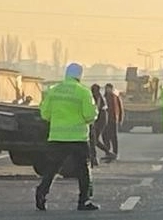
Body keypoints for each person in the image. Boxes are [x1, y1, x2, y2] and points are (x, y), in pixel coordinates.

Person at [36, 62, 99, 212]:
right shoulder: (83, 92)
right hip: (78, 138)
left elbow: (45, 113)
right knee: (83, 171)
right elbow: (90, 115)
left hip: (57, 137)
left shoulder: (54, 91)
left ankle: (41, 193)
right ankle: (84, 201)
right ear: (80, 76)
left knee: (52, 168)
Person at [102, 82, 123, 160]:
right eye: (107, 88)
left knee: (113, 137)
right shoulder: (104, 97)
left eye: (109, 88)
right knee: (105, 137)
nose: (108, 90)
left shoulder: (115, 97)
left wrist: (120, 119)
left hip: (113, 120)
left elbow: (120, 108)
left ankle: (115, 153)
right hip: (105, 120)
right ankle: (108, 152)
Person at [88, 83, 107, 168]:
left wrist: (93, 121)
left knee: (94, 140)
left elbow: (97, 109)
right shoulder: (98, 96)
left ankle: (95, 158)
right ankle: (95, 157)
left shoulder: (97, 97)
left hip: (99, 119)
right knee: (94, 140)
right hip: (99, 119)